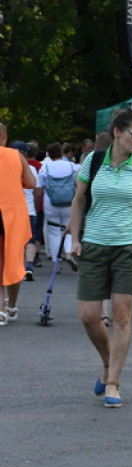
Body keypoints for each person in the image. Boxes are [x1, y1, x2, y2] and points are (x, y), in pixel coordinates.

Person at [67, 110, 132, 407]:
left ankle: (113, 382)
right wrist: (75, 237)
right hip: (95, 245)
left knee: (122, 315)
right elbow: (79, 199)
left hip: (130, 248)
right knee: (88, 317)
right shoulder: (94, 161)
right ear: (117, 133)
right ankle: (107, 361)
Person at [0, 124, 35, 326]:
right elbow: (30, 183)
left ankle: (1, 310)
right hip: (13, 214)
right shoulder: (16, 155)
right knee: (14, 259)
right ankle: (11, 306)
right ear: (4, 137)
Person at [35, 142, 79, 264]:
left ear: (48, 154)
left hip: (51, 203)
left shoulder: (45, 168)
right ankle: (69, 253)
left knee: (53, 232)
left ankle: (56, 261)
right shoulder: (72, 166)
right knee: (68, 228)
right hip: (69, 203)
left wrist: (37, 204)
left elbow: (39, 189)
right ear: (61, 152)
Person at [11, 142, 40, 281]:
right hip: (30, 210)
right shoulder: (31, 169)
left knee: (16, 242)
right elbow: (35, 190)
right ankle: (29, 266)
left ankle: (17, 267)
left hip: (14, 210)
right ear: (26, 153)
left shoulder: (8, 168)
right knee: (30, 240)